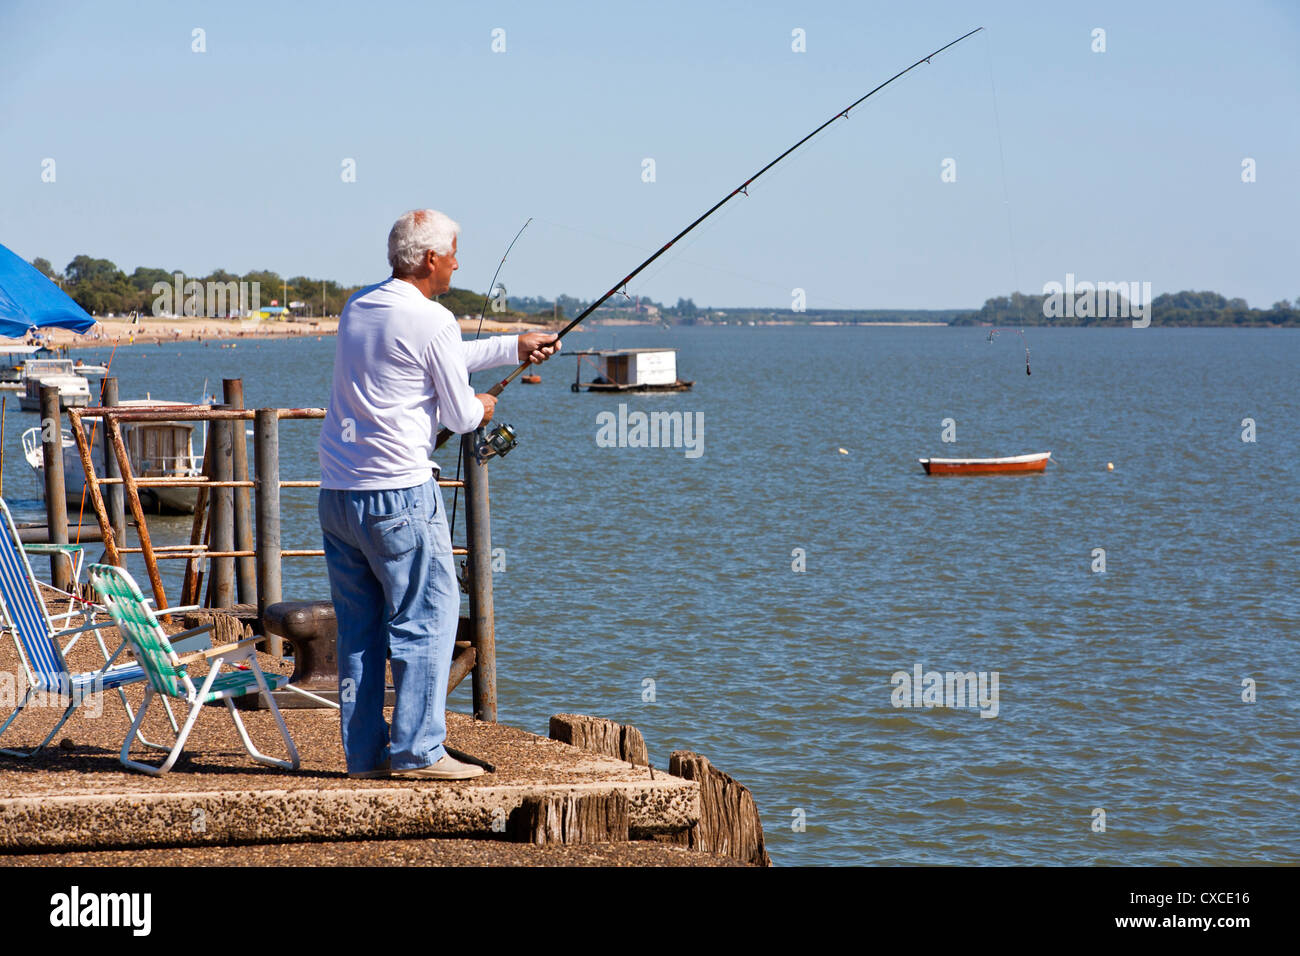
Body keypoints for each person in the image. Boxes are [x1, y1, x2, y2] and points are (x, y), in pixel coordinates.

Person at [317, 208, 558, 780]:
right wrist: (484, 407)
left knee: (360, 630)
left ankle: (366, 756)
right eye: (453, 252)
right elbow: (461, 412)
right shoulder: (434, 319)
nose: (457, 262)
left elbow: (432, 357)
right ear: (431, 259)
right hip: (398, 496)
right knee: (428, 618)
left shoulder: (361, 306)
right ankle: (419, 752)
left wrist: (511, 347)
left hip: (338, 495)